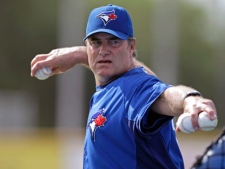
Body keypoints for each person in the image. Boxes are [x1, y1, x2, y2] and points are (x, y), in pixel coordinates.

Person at [30, 4, 217, 169]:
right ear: (87, 47)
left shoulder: (133, 89)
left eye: (114, 41)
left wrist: (189, 99)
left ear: (131, 46)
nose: (104, 50)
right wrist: (79, 56)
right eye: (96, 42)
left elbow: (162, 94)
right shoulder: (108, 90)